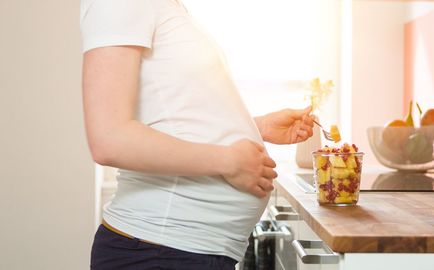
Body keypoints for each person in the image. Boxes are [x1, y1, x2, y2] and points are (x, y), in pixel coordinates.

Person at [81, 0, 314, 269]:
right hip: (159, 251)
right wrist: (228, 160)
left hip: (182, 251)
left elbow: (172, 109)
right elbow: (109, 139)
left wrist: (255, 126)